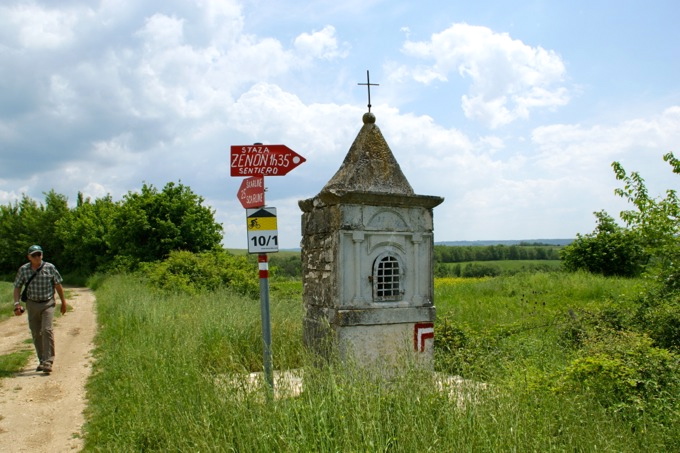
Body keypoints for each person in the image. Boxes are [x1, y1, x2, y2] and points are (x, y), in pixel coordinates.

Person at [12, 245, 67, 374]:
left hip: (48, 303)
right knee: (36, 332)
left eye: (39, 254)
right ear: (29, 257)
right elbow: (17, 287)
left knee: (47, 330)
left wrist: (63, 302)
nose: (37, 257)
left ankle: (48, 361)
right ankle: (42, 360)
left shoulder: (50, 267)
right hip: (32, 304)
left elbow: (58, 285)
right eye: (34, 255)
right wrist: (16, 304)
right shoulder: (23, 270)